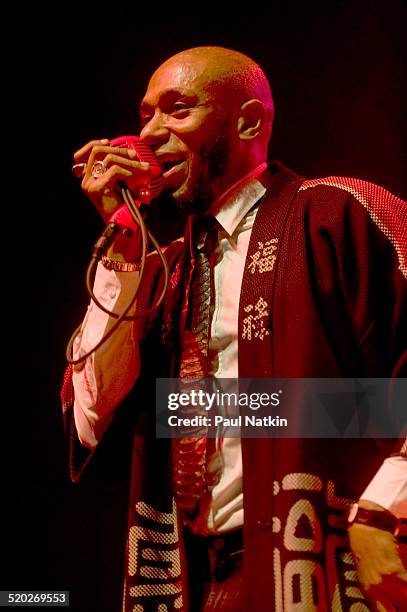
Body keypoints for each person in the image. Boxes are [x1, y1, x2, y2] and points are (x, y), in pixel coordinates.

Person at [62, 46, 407, 611]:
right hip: (191, 576)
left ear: (247, 121)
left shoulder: (337, 212)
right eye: (144, 114)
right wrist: (124, 246)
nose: (148, 135)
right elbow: (93, 418)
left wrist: (384, 510)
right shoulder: (162, 271)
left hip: (323, 560)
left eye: (176, 111)